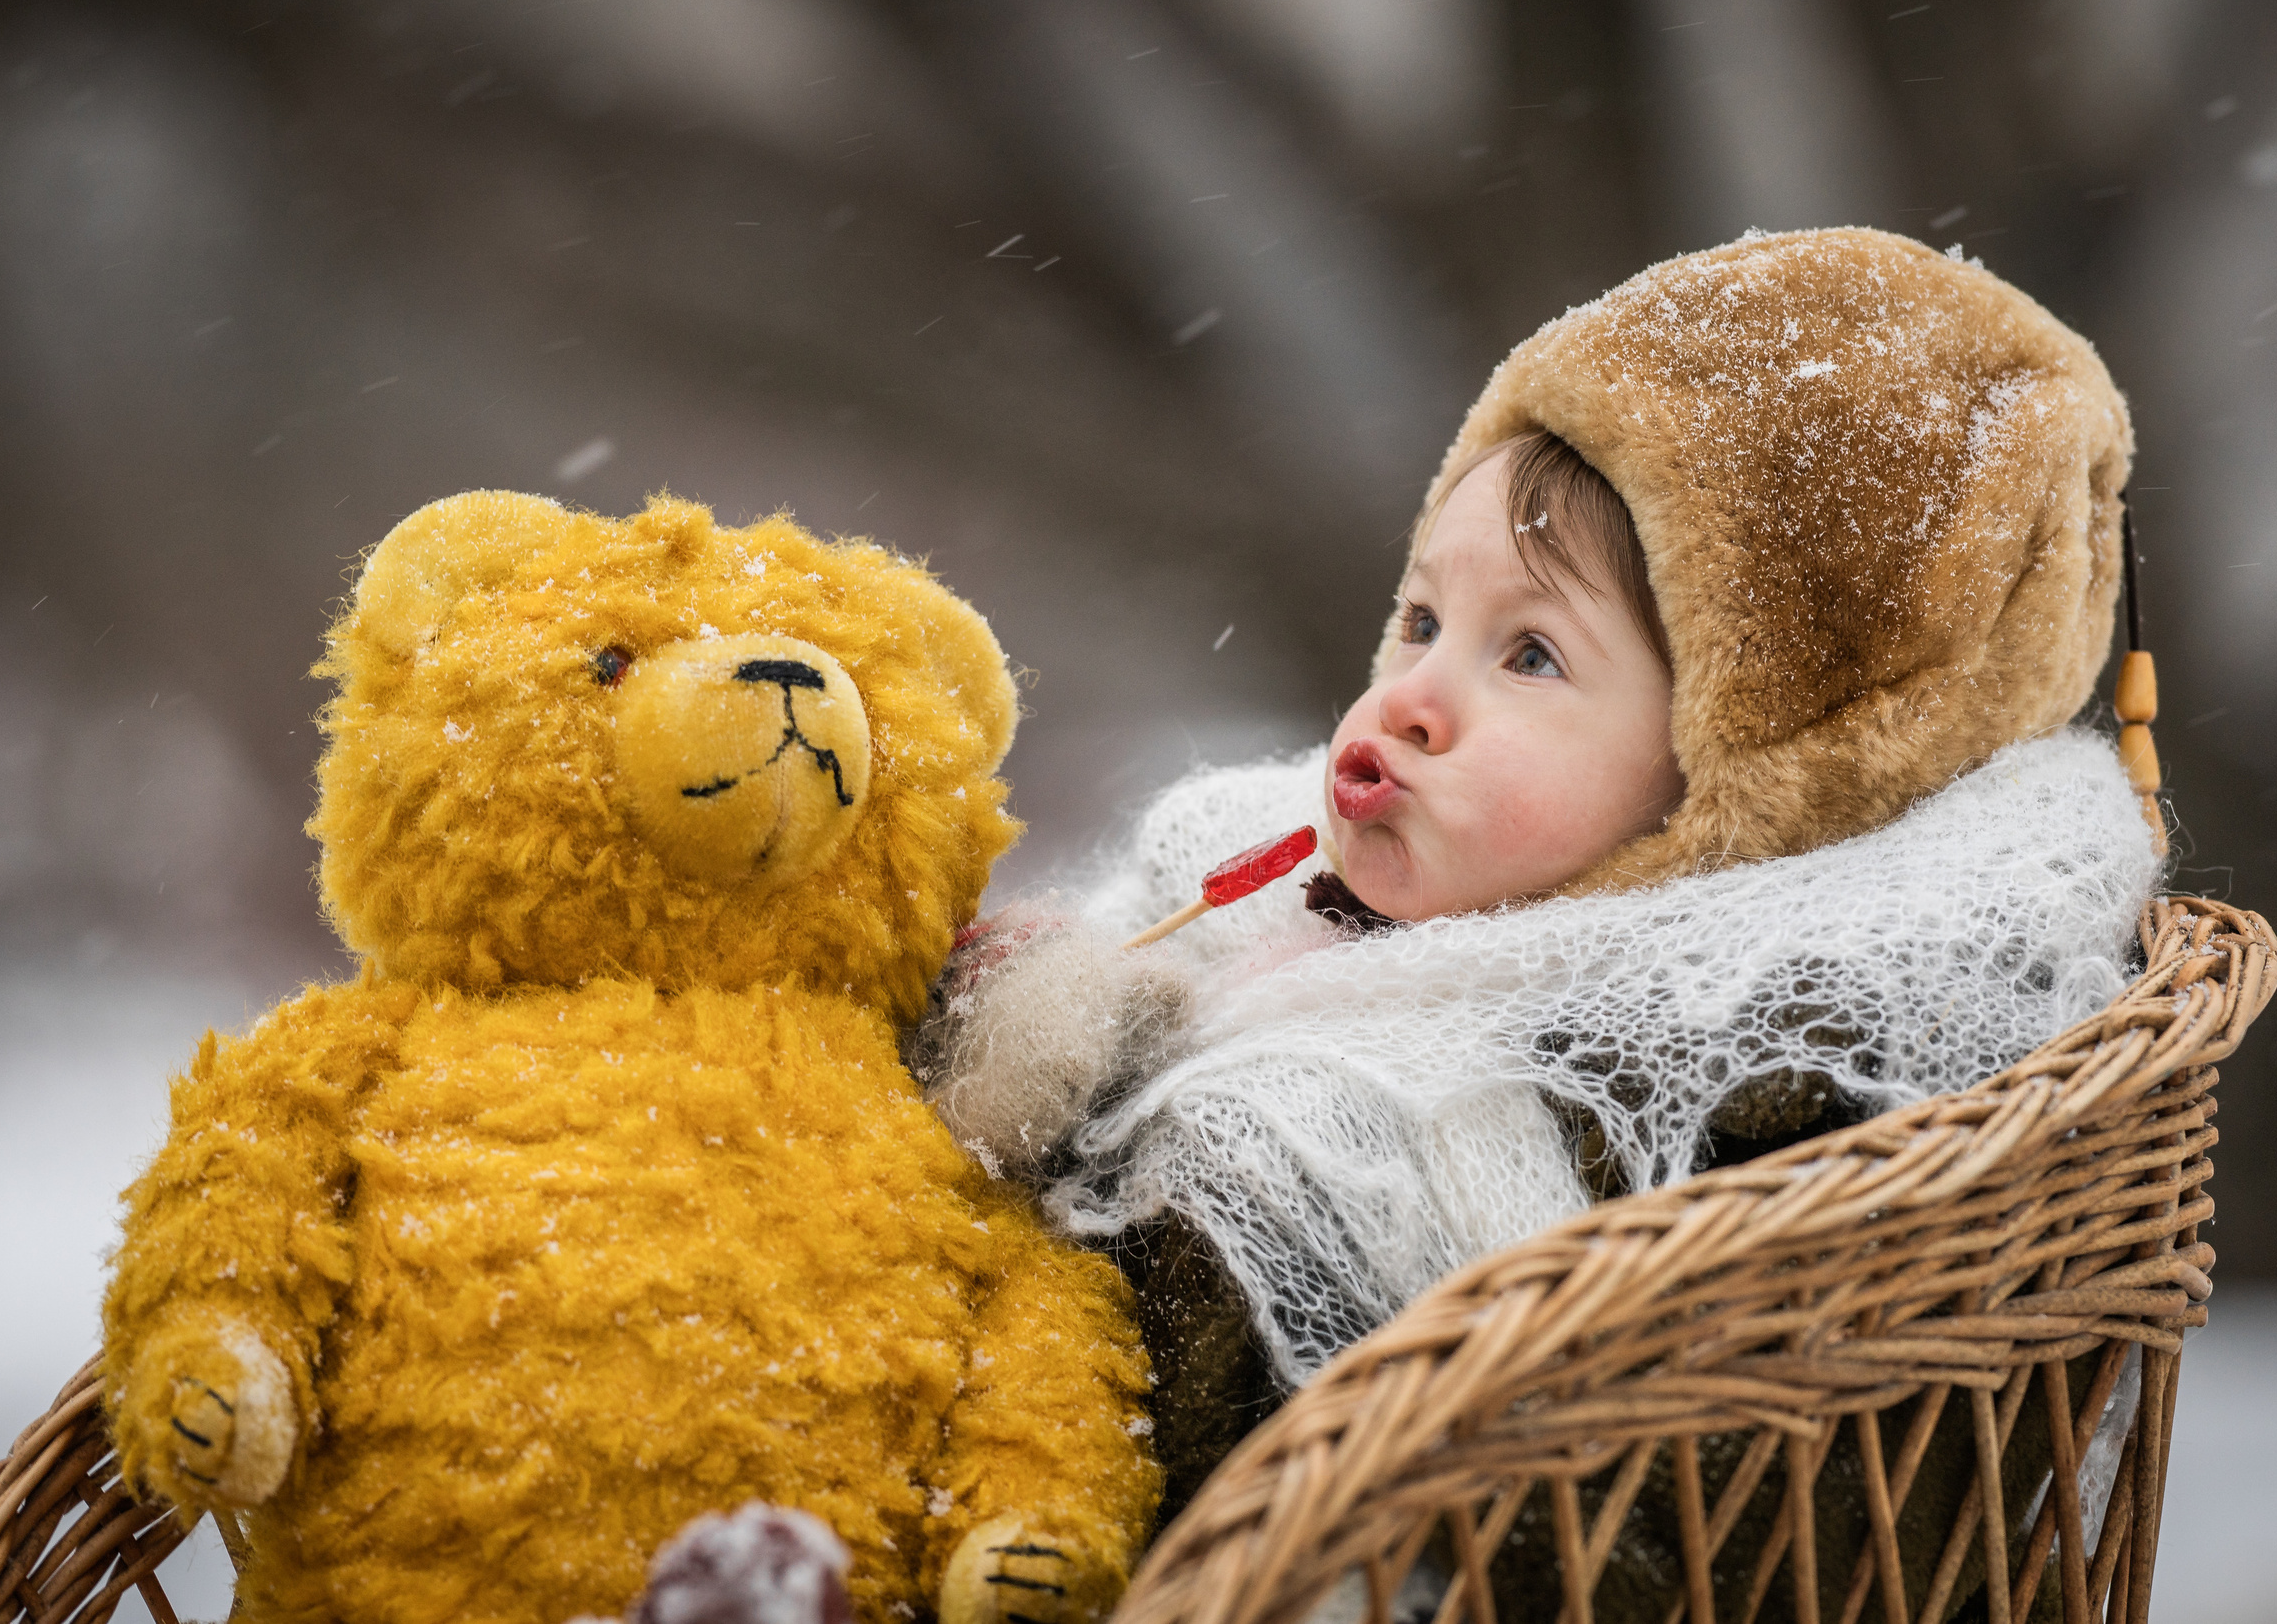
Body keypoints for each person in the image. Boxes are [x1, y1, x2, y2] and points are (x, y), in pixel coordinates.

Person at [910, 226, 2165, 1528]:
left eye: (1532, 658)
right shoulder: (1266, 896)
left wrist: (1116, 1208)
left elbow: (1728, 1516)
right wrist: (1060, 1029)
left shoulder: (1729, 1095)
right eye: (1419, 621)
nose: (1411, 701)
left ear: (1728, 787)